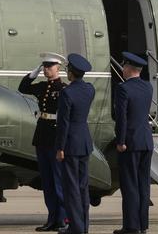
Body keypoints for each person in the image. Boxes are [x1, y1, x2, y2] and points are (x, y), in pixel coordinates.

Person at [18, 52, 68, 232]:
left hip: (55, 136)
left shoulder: (63, 88)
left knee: (58, 180)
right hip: (42, 136)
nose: (47, 69)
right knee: (47, 181)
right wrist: (35, 70)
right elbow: (23, 87)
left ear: (58, 68)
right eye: (44, 66)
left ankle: (62, 219)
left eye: (50, 66)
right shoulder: (41, 87)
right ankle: (52, 218)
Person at [113, 52, 153, 234]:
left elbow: (122, 118)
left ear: (128, 68)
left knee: (129, 185)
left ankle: (131, 226)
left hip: (130, 142)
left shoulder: (123, 89)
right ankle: (142, 225)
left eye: (124, 66)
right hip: (146, 141)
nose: (122, 69)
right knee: (143, 185)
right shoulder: (148, 87)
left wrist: (120, 141)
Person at [55, 53, 95, 234]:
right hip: (84, 141)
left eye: (68, 70)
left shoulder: (67, 93)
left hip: (70, 143)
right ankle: (84, 226)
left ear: (72, 72)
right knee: (83, 187)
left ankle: (76, 228)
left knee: (71, 188)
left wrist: (60, 147)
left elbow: (63, 123)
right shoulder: (89, 89)